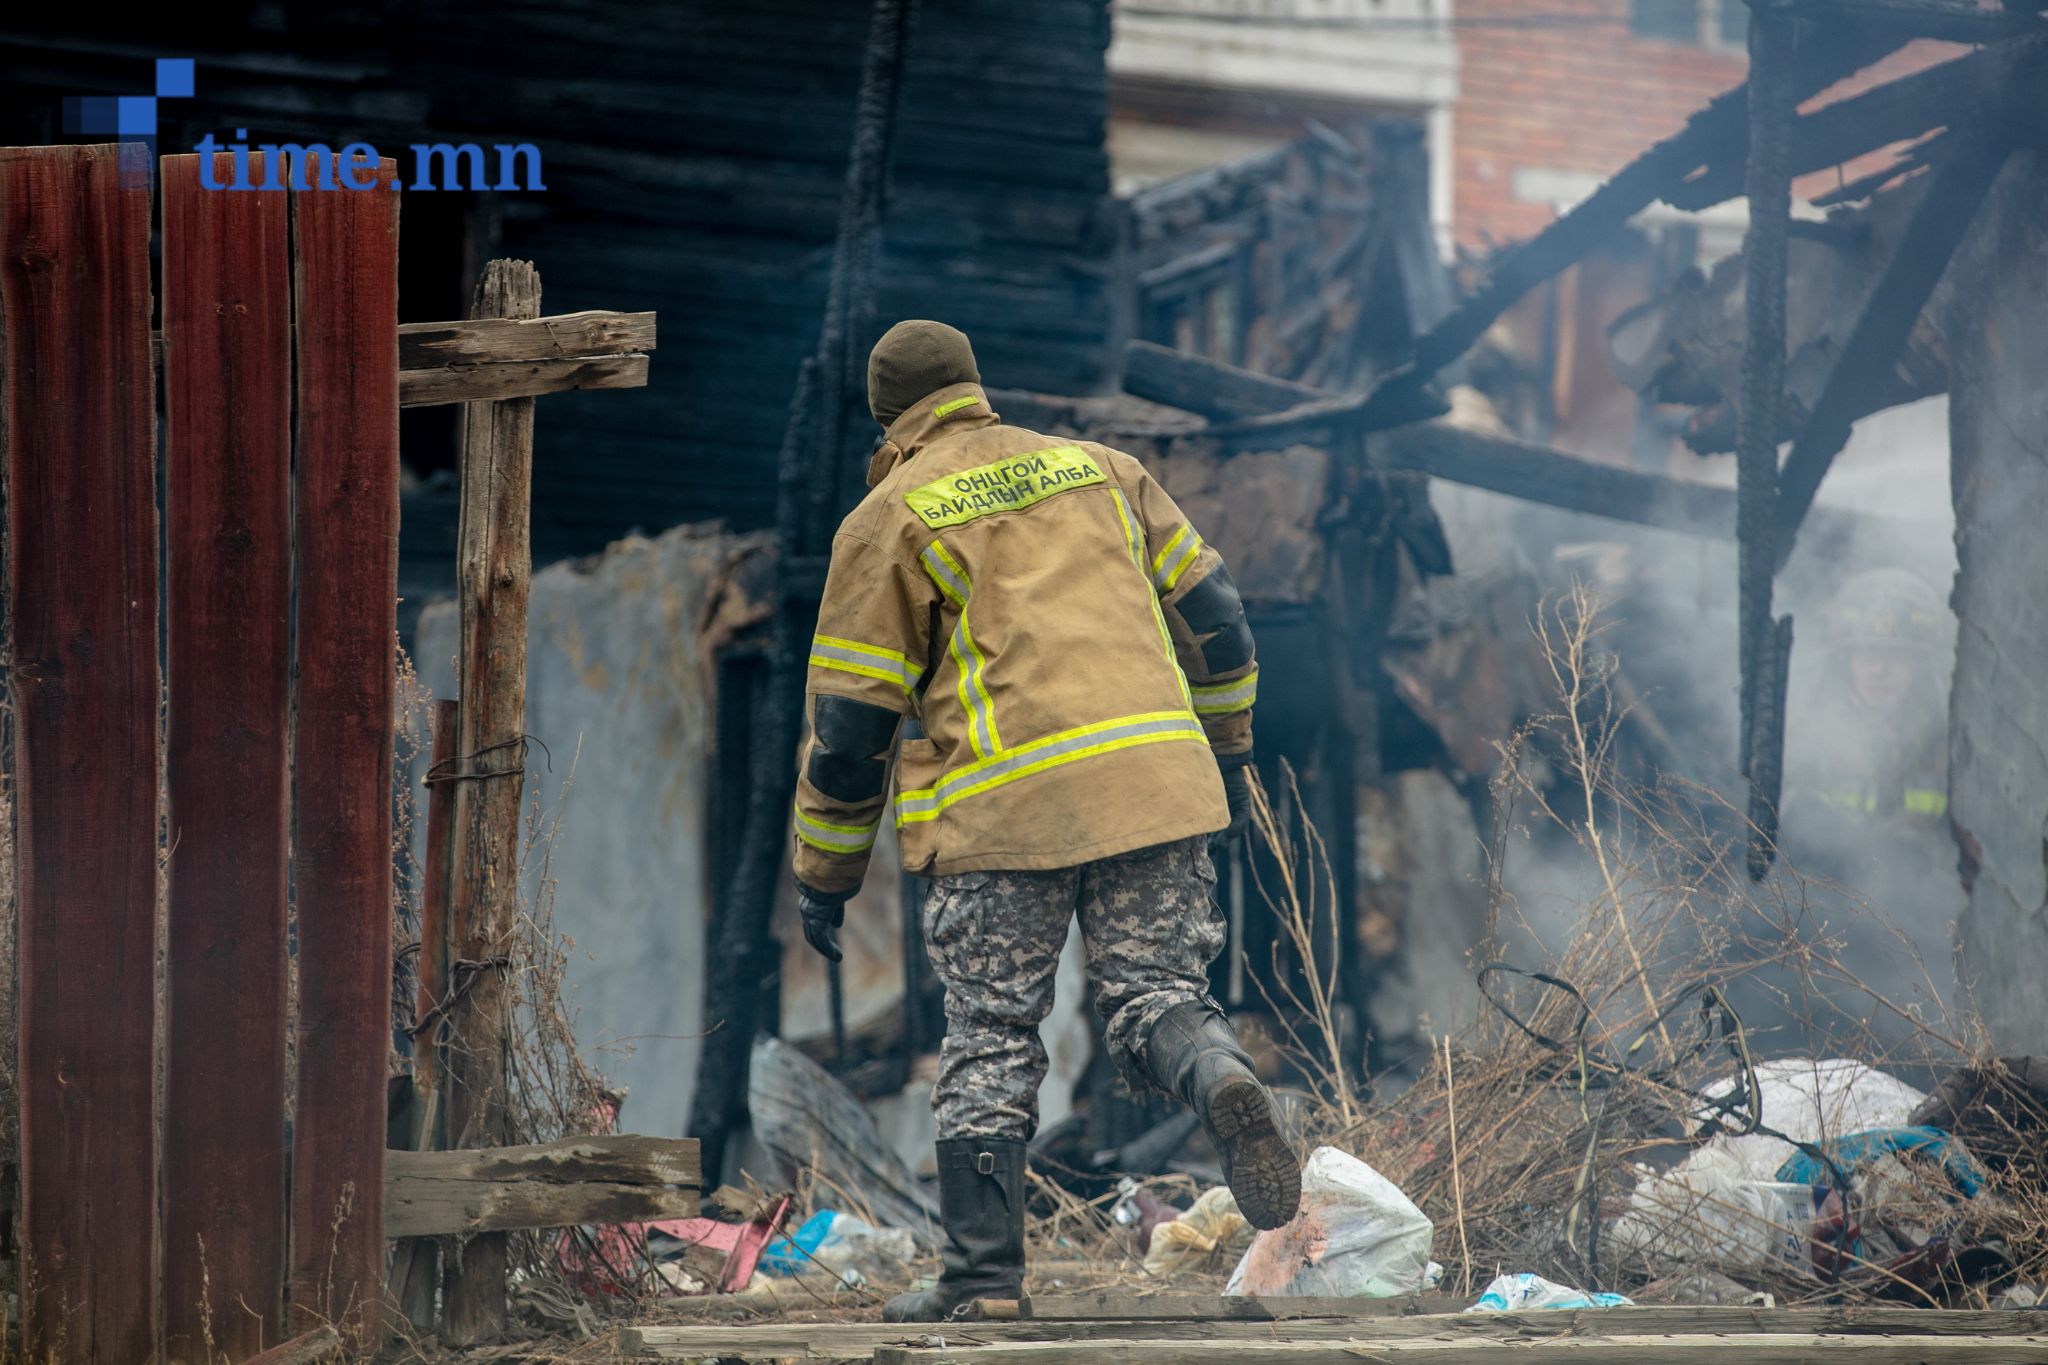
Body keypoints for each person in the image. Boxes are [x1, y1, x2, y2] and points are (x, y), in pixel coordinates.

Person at [787, 320, 1300, 1322]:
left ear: (887, 420)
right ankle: (1220, 1075)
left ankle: (982, 1285)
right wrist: (1226, 751)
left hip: (1002, 808)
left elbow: (850, 729)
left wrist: (825, 871)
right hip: (1154, 783)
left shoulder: (887, 518)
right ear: (974, 387)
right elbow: (1222, 621)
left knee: (990, 1033)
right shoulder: (1103, 470)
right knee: (1158, 994)